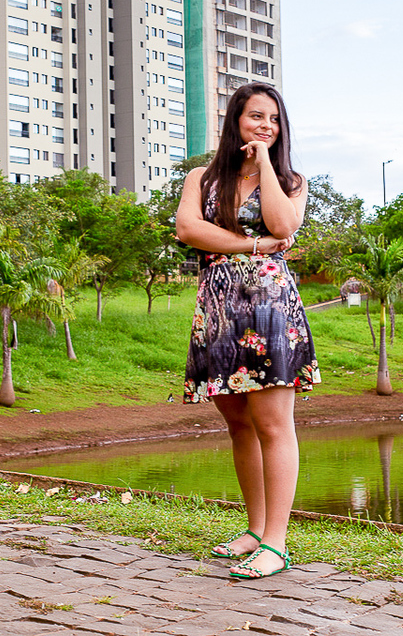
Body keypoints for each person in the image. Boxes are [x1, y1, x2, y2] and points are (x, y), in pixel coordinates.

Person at [175, 82, 320, 580]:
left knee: (274, 425)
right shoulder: (201, 177)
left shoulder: (291, 179)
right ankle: (256, 530)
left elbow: (283, 225)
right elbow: (189, 230)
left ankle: (276, 544)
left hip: (269, 310)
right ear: (235, 119)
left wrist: (265, 171)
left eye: (274, 120)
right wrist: (254, 247)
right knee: (238, 423)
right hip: (217, 310)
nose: (266, 125)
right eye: (256, 116)